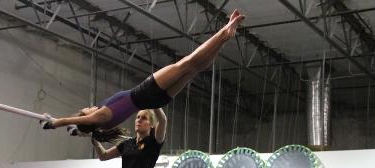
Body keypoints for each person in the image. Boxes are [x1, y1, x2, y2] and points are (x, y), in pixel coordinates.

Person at [41, 10, 244, 135]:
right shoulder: (101, 117)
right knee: (187, 63)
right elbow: (84, 121)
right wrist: (58, 122)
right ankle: (225, 31)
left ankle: (225, 37)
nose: (88, 107)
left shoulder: (102, 125)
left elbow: (85, 126)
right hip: (145, 92)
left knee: (194, 69)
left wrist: (77, 130)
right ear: (90, 117)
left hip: (155, 101)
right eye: (86, 110)